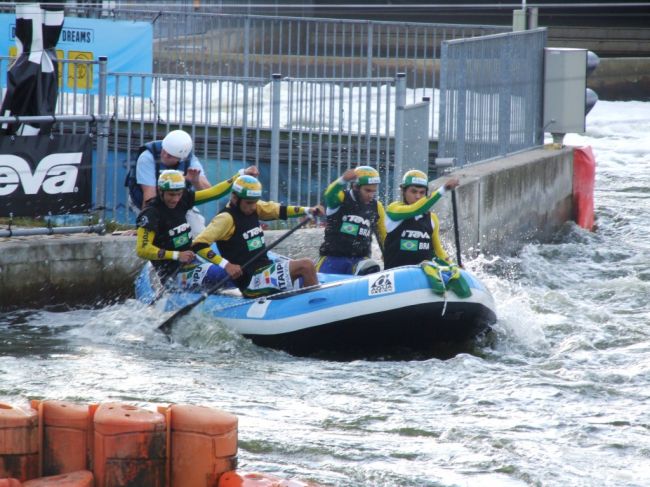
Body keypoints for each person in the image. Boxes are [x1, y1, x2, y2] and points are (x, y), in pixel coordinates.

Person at [191, 175, 324, 298]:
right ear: (234, 198)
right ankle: (315, 307)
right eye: (249, 203)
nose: (253, 207)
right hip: (251, 281)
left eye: (255, 201)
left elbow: (278, 210)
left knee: (307, 268)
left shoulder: (255, 206)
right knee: (306, 265)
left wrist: (307, 210)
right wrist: (226, 265)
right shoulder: (225, 219)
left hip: (264, 269)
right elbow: (198, 245)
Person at [135, 167, 258, 290]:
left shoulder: (182, 199)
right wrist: (176, 255)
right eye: (171, 195)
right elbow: (142, 249)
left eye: (179, 194)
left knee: (242, 269)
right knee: (230, 274)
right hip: (174, 274)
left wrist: (241, 174)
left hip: (193, 263)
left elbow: (214, 193)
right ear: (160, 191)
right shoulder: (151, 213)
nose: (176, 199)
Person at [128, 129, 210, 236]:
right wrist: (144, 225)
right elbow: (149, 196)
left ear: (181, 159)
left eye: (170, 155)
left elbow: (207, 190)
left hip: (176, 202)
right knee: (159, 233)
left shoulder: (190, 160)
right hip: (148, 201)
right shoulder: (147, 157)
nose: (165, 155)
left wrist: (195, 181)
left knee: (199, 234)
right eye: (164, 150)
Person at [316, 166, 387, 275]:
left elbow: (383, 236)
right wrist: (342, 180)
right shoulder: (341, 198)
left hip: (360, 261)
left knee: (371, 267)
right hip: (333, 259)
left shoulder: (377, 207)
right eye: (367, 190)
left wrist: (387, 255)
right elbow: (329, 195)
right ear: (355, 187)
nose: (371, 195)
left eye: (374, 191)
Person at [383, 169, 460, 270]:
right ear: (403, 191)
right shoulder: (393, 210)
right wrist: (443, 189)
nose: (418, 196)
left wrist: (453, 265)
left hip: (423, 276)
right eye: (413, 191)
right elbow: (416, 209)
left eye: (422, 192)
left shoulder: (432, 219)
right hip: (396, 274)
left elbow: (438, 251)